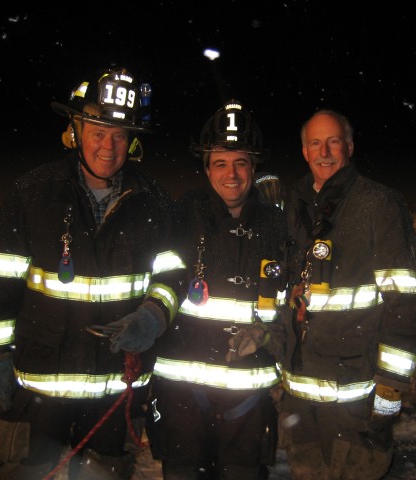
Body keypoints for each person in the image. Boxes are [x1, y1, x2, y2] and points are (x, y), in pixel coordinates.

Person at [0, 66, 184, 479]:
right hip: (39, 384)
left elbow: (173, 275)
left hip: (114, 388)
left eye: (120, 135)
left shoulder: (156, 203)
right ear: (75, 130)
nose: (109, 146)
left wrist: (154, 315)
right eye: (98, 132)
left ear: (133, 140)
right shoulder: (32, 194)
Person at [280, 110, 416, 479]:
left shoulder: (378, 204)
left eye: (333, 141)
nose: (325, 151)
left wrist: (391, 385)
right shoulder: (293, 206)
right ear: (304, 151)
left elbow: (408, 298)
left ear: (349, 147)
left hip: (356, 396)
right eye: (315, 143)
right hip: (301, 397)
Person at [141, 99, 287, 479]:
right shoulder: (183, 214)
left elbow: (291, 299)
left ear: (254, 167)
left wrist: (270, 333)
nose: (231, 174)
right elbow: (164, 277)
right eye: (220, 162)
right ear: (205, 168)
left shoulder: (278, 224)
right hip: (182, 391)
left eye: (241, 162)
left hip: (248, 393)